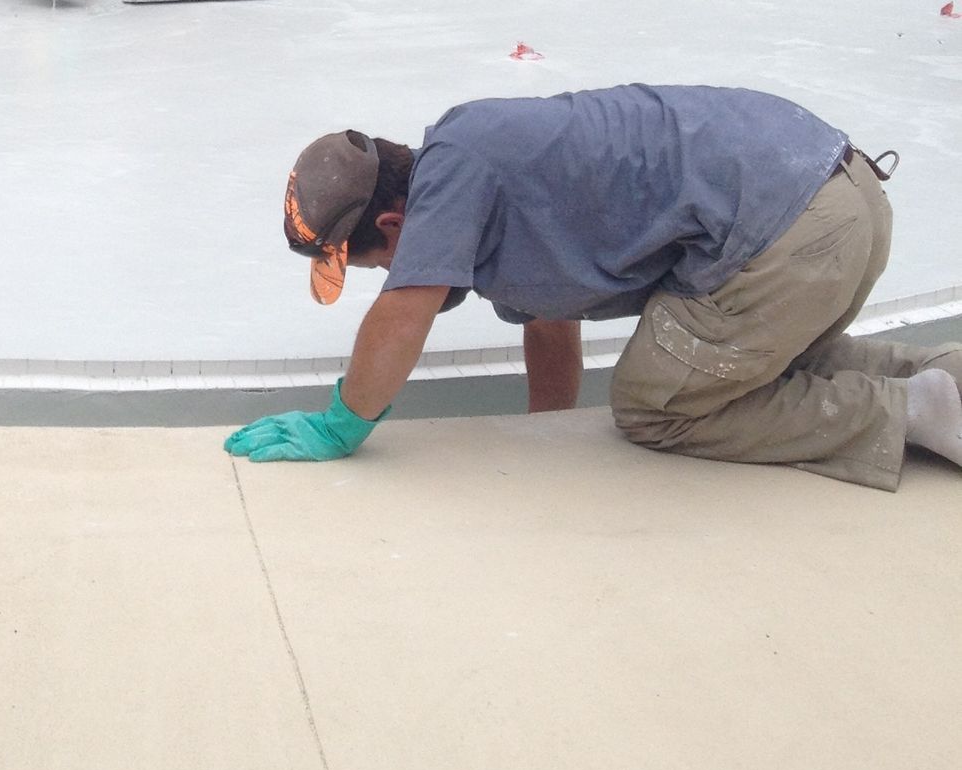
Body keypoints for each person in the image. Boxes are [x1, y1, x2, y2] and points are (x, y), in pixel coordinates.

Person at [224, 84, 962, 493]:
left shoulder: (452, 166)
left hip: (789, 231)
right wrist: (549, 432)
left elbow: (403, 312)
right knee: (733, 367)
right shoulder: (495, 182)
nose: (390, 273)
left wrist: (341, 424)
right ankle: (943, 380)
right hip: (839, 192)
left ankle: (909, 411)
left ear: (392, 219)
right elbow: (550, 324)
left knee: (654, 404)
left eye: (374, 260)